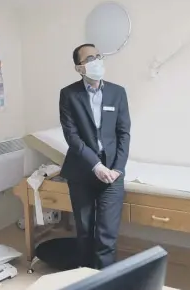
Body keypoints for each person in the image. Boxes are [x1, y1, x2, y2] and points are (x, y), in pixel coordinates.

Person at [59, 43, 131, 269]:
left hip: (112, 173)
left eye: (98, 56)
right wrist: (95, 165)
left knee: (106, 236)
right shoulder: (69, 94)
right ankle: (85, 280)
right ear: (79, 68)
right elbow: (72, 137)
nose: (97, 61)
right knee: (84, 233)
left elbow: (124, 134)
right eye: (90, 59)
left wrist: (117, 168)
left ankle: (105, 282)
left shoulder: (117, 92)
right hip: (82, 172)